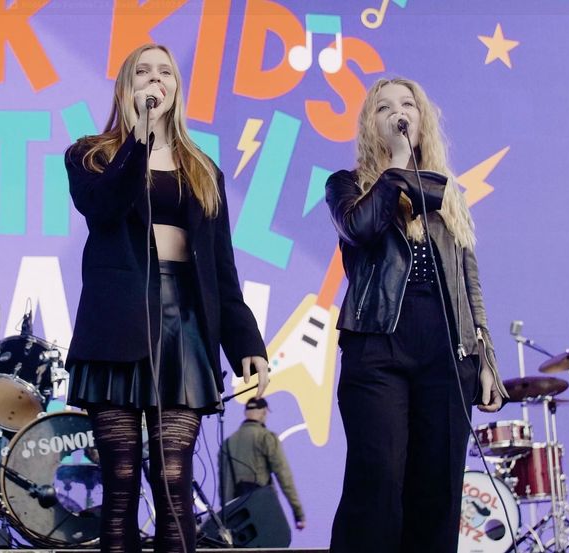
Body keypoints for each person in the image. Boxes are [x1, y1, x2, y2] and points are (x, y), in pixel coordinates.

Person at [64, 43, 269, 553]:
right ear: (125, 87)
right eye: (143, 72)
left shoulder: (202, 169)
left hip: (185, 326)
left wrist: (247, 340)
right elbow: (105, 208)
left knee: (174, 479)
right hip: (116, 327)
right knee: (120, 482)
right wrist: (138, 138)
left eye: (165, 73)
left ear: (178, 88)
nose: (155, 80)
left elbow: (222, 268)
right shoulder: (91, 154)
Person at [324, 77, 508, 553]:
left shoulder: (450, 196)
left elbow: (470, 282)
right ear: (372, 125)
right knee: (379, 481)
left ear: (423, 119)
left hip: (446, 351)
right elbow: (360, 229)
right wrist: (397, 169)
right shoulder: (348, 187)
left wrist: (485, 356)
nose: (398, 113)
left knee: (439, 491)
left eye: (407, 105)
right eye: (385, 108)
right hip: (377, 346)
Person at [218, 397, 304, 545]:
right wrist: (298, 514)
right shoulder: (266, 437)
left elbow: (224, 487)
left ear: (246, 413)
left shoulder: (228, 443)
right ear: (263, 412)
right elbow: (284, 476)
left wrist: (225, 521)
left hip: (236, 517)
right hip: (261, 508)